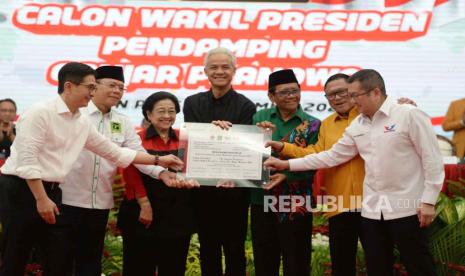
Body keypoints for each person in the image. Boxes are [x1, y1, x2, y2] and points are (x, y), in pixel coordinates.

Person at [0, 62, 183, 276]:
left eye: (94, 87)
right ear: (69, 86)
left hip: (55, 194)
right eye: (90, 87)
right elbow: (27, 159)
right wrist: (41, 198)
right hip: (24, 190)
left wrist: (159, 162)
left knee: (57, 261)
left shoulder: (81, 121)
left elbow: (114, 152)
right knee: (16, 256)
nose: (92, 92)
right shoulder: (40, 112)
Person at [264, 69, 444, 276]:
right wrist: (286, 164)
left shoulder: (408, 114)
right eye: (340, 95)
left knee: (418, 264)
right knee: (377, 266)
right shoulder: (358, 124)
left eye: (352, 95)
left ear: (375, 92)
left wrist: (429, 201)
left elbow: (432, 159)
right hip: (372, 210)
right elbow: (330, 156)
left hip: (407, 207)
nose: (349, 100)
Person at [59, 66, 174, 276]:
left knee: (91, 262)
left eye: (121, 87)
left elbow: (136, 155)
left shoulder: (122, 121)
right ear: (94, 87)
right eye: (111, 85)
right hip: (67, 198)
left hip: (100, 202)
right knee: (61, 260)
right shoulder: (76, 114)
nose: (117, 91)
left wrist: (161, 172)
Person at [266, 73, 364, 276]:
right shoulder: (327, 124)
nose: (336, 98)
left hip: (374, 203)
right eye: (330, 95)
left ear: (354, 91)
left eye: (341, 92)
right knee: (342, 266)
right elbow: (315, 153)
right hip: (340, 204)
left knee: (379, 261)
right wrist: (283, 147)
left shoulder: (370, 117)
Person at [183, 47, 256, 276]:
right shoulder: (192, 103)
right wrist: (210, 131)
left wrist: (222, 134)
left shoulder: (246, 105)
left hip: (234, 190)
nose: (219, 71)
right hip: (203, 190)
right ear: (205, 71)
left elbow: (244, 147)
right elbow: (193, 140)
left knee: (235, 249)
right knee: (208, 248)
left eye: (225, 67)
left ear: (234, 70)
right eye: (214, 67)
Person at [118, 91, 198, 276]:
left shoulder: (186, 138)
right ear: (149, 114)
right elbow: (130, 172)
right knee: (138, 266)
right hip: (143, 211)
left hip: (177, 213)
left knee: (173, 267)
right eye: (161, 111)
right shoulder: (136, 138)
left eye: (172, 111)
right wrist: (144, 204)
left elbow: (195, 168)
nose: (167, 116)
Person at [251, 69, 319, 276]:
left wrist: (287, 175)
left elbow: (315, 160)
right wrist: (259, 135)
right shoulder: (259, 117)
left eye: (295, 91)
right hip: (261, 198)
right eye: (284, 92)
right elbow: (245, 151)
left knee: (297, 260)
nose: (291, 96)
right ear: (271, 96)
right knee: (264, 259)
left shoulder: (313, 124)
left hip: (296, 202)